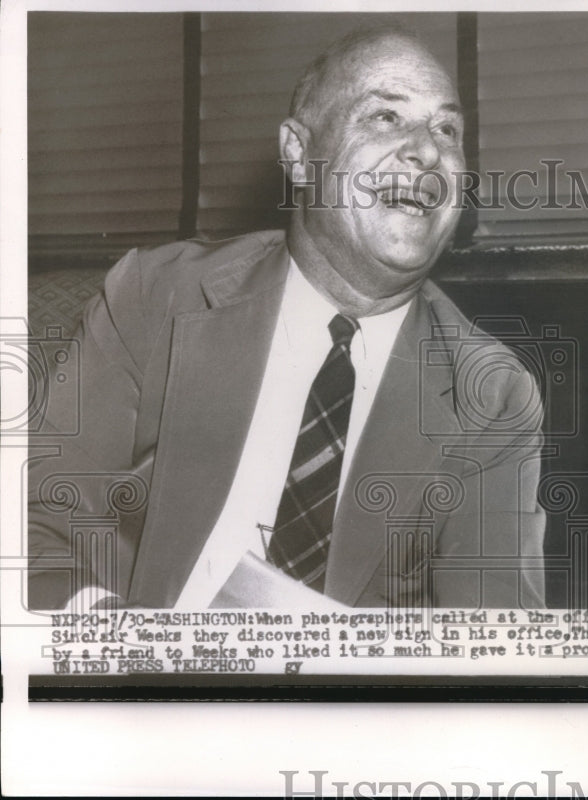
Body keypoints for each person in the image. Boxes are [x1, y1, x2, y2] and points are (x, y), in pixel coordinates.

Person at [27, 27, 546, 610]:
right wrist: (137, 652)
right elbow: (33, 528)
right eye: (384, 117)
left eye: (448, 129)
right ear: (299, 154)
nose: (428, 150)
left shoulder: (494, 392)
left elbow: (496, 639)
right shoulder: (156, 297)